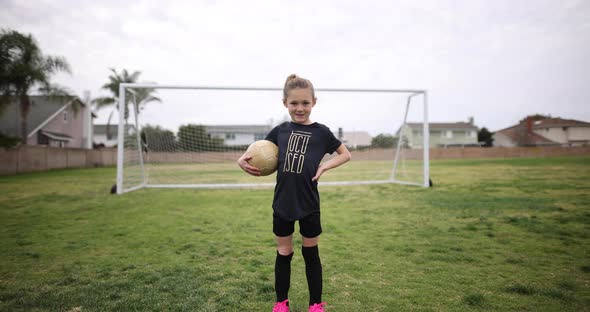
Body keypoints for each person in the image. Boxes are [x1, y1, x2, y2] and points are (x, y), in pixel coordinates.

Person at [238, 74, 351, 312]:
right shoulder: (280, 131)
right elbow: (257, 153)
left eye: (305, 103)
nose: (300, 108)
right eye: (294, 103)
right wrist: (241, 161)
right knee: (284, 252)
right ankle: (281, 303)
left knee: (311, 253)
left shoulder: (322, 132)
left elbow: (345, 154)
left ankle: (316, 304)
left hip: (309, 203)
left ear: (314, 102)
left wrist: (324, 166)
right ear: (285, 103)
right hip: (283, 203)